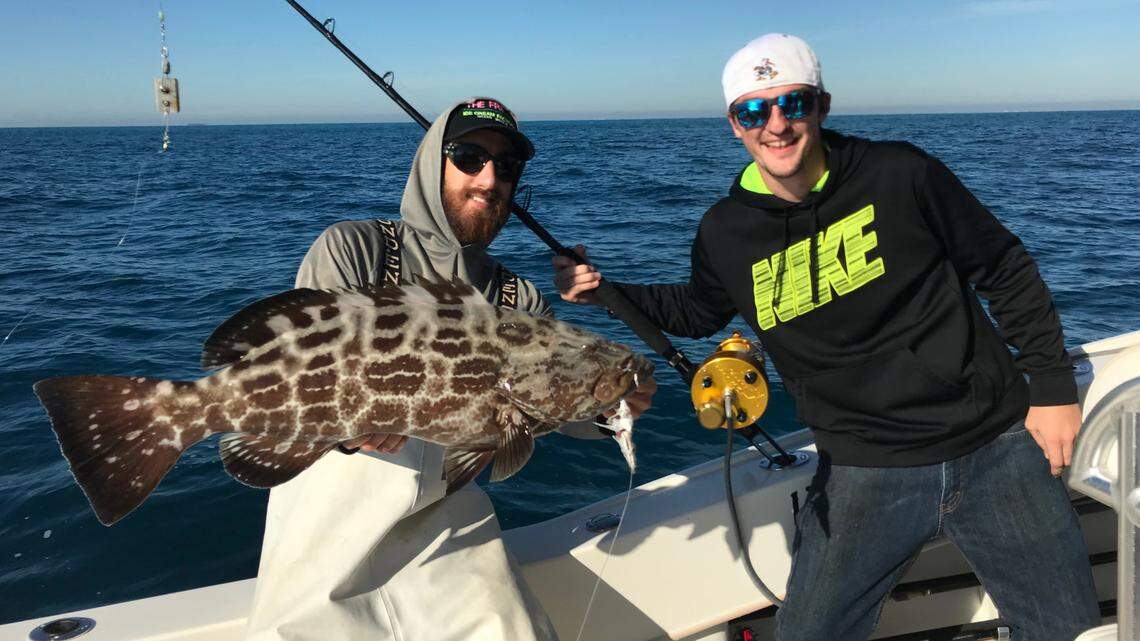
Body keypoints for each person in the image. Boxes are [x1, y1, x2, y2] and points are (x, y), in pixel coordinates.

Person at [553, 34, 1099, 641]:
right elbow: (698, 309)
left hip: (993, 444)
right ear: (734, 124)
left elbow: (1004, 268)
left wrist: (1051, 387)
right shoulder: (725, 230)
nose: (777, 125)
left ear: (823, 106)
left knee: (1067, 630)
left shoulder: (901, 172)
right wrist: (603, 289)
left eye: (795, 103)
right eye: (754, 110)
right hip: (862, 466)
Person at [246, 97, 655, 641]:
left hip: (446, 525)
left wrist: (610, 409)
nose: (489, 179)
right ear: (430, 165)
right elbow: (302, 371)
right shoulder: (355, 250)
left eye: (505, 168)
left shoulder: (520, 298)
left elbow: (541, 406)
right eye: (469, 157)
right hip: (328, 525)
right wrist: (349, 429)